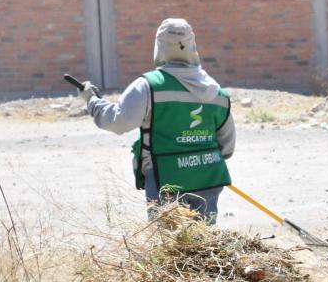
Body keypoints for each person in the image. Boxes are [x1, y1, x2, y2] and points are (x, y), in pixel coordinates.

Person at [77, 18, 235, 223]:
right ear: (192, 46)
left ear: (159, 46)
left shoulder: (148, 86)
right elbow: (227, 146)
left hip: (166, 179)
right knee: (203, 240)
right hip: (209, 178)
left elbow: (118, 121)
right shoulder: (217, 92)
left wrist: (92, 100)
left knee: (168, 241)